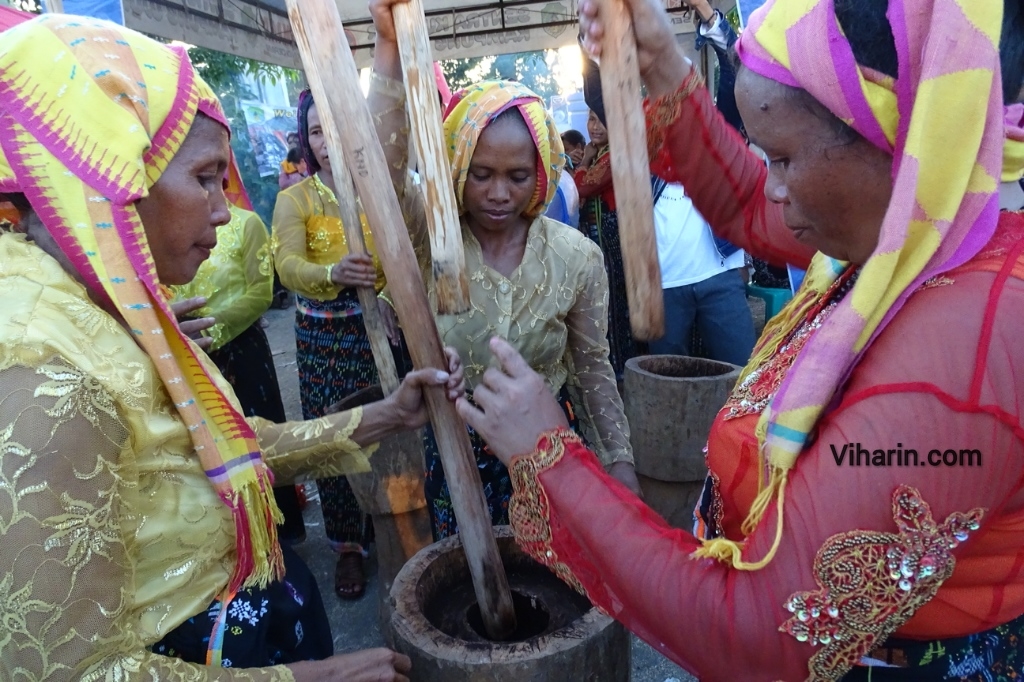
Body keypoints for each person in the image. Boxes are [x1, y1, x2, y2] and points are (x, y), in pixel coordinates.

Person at [452, 0, 1024, 678]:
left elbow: (758, 634)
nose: (773, 187)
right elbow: (747, 201)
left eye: (782, 156)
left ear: (899, 139)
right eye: (764, 154)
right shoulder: (908, 228)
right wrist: (663, 59)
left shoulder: (967, 350)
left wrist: (551, 455)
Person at [0, 15, 468, 680]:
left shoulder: (107, 306)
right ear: (112, 180)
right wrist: (308, 678)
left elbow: (219, 448)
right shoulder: (42, 372)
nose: (224, 209)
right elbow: (71, 671)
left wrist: (388, 414)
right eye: (205, 177)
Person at [367, 6, 642, 539]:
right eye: (480, 174)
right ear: (456, 170)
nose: (498, 194)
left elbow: (591, 370)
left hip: (550, 454)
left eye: (517, 176)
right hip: (456, 455)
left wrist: (619, 466)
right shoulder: (431, 240)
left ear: (542, 174)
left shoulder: (576, 256)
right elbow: (375, 167)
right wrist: (387, 51)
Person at [272, 89, 393, 600]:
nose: (326, 142)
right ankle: (347, 546)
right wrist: (331, 272)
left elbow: (401, 251)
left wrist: (386, 294)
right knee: (334, 435)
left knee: (386, 431)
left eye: (334, 129)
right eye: (317, 132)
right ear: (307, 138)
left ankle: (392, 527)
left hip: (377, 333)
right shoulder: (295, 198)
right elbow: (287, 265)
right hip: (323, 336)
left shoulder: (377, 190)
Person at [171, 202, 306, 543]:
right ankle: (239, 541)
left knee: (260, 438)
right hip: (183, 356)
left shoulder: (246, 223)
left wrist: (210, 333)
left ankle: (281, 535)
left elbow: (260, 294)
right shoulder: (163, 231)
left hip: (242, 351)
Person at [648, 179, 755, 365]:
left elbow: (743, 196)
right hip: (664, 284)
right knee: (666, 377)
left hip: (721, 276)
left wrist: (744, 260)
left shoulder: (716, 160)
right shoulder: (644, 165)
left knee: (744, 369)